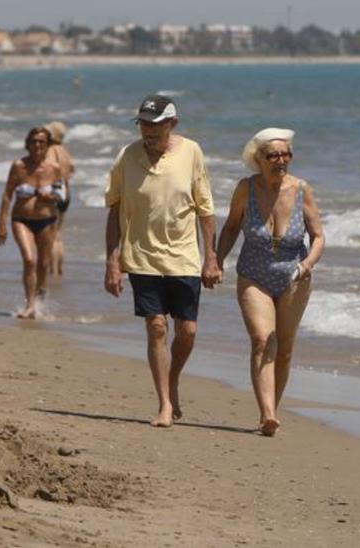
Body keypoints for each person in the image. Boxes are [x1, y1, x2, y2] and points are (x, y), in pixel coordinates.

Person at [103, 94, 220, 428]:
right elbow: (113, 209)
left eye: (155, 124)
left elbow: (205, 209)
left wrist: (211, 258)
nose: (148, 130)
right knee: (156, 327)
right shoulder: (127, 156)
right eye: (143, 123)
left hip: (184, 256)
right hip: (141, 257)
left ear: (173, 124)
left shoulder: (192, 152)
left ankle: (173, 379)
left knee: (188, 332)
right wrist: (112, 261)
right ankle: (165, 404)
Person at [215, 128, 325, 437]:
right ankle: (267, 414)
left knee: (285, 348)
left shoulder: (302, 189)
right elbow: (231, 227)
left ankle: (270, 414)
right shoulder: (245, 189)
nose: (281, 160)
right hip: (254, 274)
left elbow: (318, 236)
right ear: (258, 158)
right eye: (273, 155)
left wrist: (307, 264)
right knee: (263, 339)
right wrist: (216, 259)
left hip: (294, 277)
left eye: (285, 154)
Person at [0, 127, 65, 319]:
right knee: (29, 260)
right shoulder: (19, 166)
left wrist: (50, 196)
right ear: (27, 143)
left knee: (43, 264)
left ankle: (40, 296)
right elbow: (7, 195)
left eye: (41, 142)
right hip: (21, 219)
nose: (37, 145)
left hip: (47, 220)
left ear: (48, 145)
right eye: (34, 141)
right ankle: (30, 305)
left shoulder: (54, 168)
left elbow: (62, 197)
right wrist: (1, 224)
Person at [44, 121, 74, 276]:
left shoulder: (51, 150)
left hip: (55, 192)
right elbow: (71, 170)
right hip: (66, 193)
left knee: (52, 234)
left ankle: (52, 270)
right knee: (58, 233)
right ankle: (59, 269)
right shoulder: (65, 151)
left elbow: (48, 169)